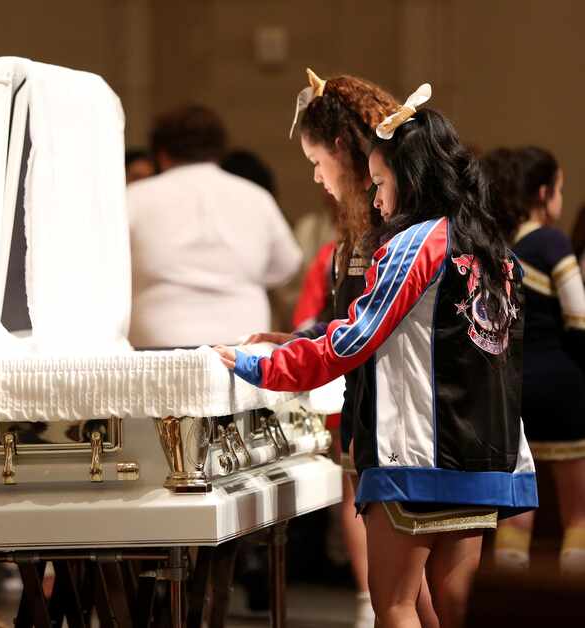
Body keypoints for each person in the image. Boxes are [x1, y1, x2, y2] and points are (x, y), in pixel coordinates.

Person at [216, 90, 538, 628]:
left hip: (417, 453)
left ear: (410, 180)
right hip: (489, 456)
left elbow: (353, 340)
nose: (375, 195)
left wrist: (256, 367)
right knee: (454, 612)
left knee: (394, 604)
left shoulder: (417, 242)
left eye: (382, 182)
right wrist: (298, 339)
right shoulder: (496, 250)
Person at [246, 68, 418, 628]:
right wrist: (300, 339)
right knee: (413, 599)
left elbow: (366, 327)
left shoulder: (396, 227)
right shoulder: (360, 227)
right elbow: (347, 320)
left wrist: (267, 362)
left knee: (408, 599)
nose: (318, 179)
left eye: (318, 164)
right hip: (381, 411)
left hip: (412, 420)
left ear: (345, 150)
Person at [484, 146, 585, 573]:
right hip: (563, 388)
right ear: (543, 193)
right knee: (578, 518)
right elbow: (579, 317)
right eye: (559, 189)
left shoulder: (496, 247)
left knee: (516, 523)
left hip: (513, 391)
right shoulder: (552, 241)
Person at [127, 104, 302, 348]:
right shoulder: (254, 196)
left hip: (158, 335)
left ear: (161, 153)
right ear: (218, 150)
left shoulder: (135, 197)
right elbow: (287, 264)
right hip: (242, 337)